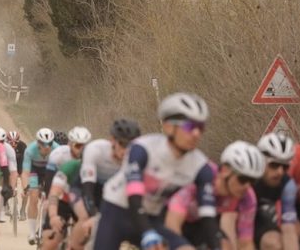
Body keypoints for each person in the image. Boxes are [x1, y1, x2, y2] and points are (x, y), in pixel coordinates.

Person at [94, 92, 216, 250]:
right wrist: (147, 232)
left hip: (152, 217)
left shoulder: (201, 166)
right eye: (189, 126)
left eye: (200, 127)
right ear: (168, 126)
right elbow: (134, 196)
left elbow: (208, 218)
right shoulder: (142, 149)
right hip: (117, 212)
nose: (196, 134)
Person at [165, 141, 265, 249]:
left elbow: (246, 243)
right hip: (166, 215)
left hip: (200, 223)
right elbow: (172, 223)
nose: (247, 186)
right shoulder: (203, 176)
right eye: (243, 179)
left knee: (225, 247)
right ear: (226, 171)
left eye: (252, 181)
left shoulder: (248, 196)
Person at [65, 119, 140, 249]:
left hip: (110, 192)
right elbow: (88, 189)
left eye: (131, 146)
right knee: (85, 218)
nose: (125, 150)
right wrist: (94, 215)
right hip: (84, 189)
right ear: (112, 140)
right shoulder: (95, 149)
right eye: (122, 144)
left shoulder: (136, 157)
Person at [253, 132, 299, 250]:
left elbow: (289, 229)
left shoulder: (288, 184)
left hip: (263, 224)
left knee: (275, 242)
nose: (280, 172)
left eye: (285, 167)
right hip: (239, 223)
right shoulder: (246, 180)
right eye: (274, 165)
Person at [22, 127, 59, 244]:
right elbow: (25, 173)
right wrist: (26, 187)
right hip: (35, 170)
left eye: (50, 143)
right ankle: (32, 233)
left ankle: (44, 225)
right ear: (38, 143)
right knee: (33, 196)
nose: (47, 146)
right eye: (44, 144)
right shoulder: (30, 151)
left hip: (50, 170)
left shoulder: (57, 150)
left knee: (50, 198)